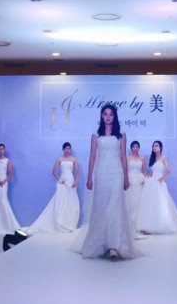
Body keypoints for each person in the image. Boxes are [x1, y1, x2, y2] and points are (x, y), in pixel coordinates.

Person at [80, 104, 136, 260]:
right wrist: (89, 177)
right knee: (102, 207)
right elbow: (92, 156)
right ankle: (102, 243)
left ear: (115, 116)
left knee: (116, 207)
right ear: (101, 116)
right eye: (105, 114)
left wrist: (126, 177)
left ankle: (115, 246)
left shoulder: (121, 134)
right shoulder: (95, 135)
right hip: (101, 173)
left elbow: (123, 156)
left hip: (117, 173)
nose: (108, 117)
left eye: (111, 114)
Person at [136, 141, 177, 234]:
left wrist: (162, 178)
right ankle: (148, 226)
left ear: (160, 147)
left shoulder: (163, 158)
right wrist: (149, 175)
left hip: (159, 183)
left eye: (156, 146)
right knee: (150, 204)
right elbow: (153, 171)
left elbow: (168, 171)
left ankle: (159, 226)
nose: (154, 147)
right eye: (153, 146)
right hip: (152, 182)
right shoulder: (153, 159)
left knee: (160, 205)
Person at [26, 142, 80, 233]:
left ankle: (70, 223)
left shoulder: (73, 159)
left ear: (70, 150)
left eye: (68, 148)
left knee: (71, 202)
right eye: (65, 148)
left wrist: (76, 182)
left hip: (71, 182)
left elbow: (78, 172)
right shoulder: (60, 159)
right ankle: (60, 222)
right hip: (62, 183)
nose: (67, 150)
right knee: (61, 201)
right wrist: (60, 179)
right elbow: (54, 171)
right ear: (63, 150)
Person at [125, 140, 147, 233]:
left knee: (140, 201)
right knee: (130, 201)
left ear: (139, 148)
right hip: (130, 179)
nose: (135, 148)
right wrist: (126, 179)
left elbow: (144, 171)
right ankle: (129, 223)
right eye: (133, 147)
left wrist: (144, 180)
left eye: (137, 147)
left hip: (139, 179)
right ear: (131, 148)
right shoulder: (128, 158)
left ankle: (140, 223)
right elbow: (125, 170)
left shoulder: (142, 158)